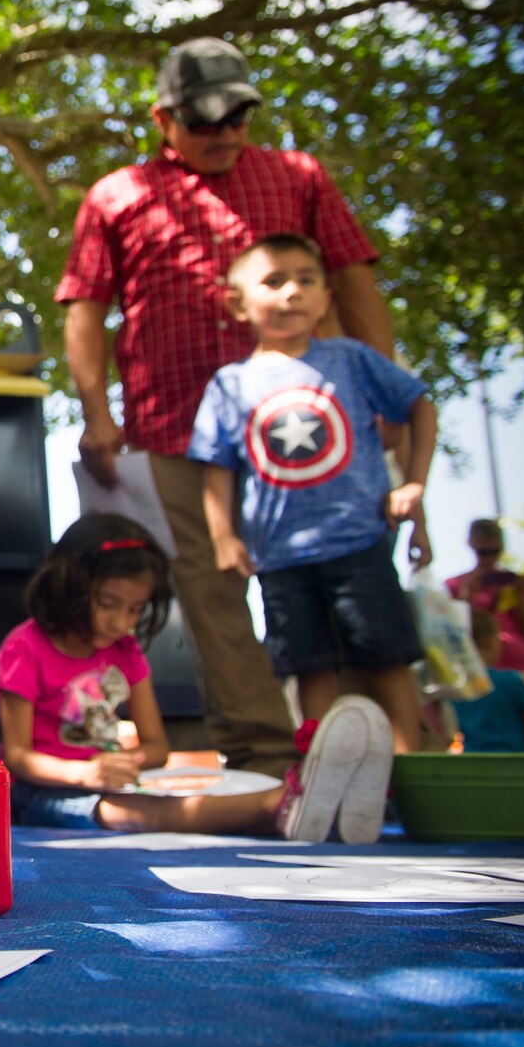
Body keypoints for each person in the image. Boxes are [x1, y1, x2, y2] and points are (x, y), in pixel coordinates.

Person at [58, 36, 399, 778]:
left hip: (310, 428)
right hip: (173, 421)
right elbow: (85, 311)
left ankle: (379, 750)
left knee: (340, 572)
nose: (223, 132)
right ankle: (276, 764)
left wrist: (384, 396)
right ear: (163, 117)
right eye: (203, 119)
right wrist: (96, 412)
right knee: (213, 591)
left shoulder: (299, 176)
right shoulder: (116, 195)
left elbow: (355, 282)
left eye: (237, 114)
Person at [190, 234, 435, 766]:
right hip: (280, 558)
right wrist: (223, 536)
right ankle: (327, 774)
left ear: (327, 296)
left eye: (306, 280)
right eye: (274, 281)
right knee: (308, 667)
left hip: (359, 541)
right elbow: (217, 468)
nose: (291, 293)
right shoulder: (229, 385)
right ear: (238, 303)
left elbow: (418, 405)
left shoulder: (349, 359)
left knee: (386, 658)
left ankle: (412, 768)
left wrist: (413, 484)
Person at [0, 514, 391, 842]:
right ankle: (283, 803)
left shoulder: (125, 650)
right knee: (133, 814)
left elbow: (157, 747)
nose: (122, 622)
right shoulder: (25, 648)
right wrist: (84, 772)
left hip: (120, 781)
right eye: (108, 604)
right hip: (46, 792)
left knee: (213, 786)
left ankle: (310, 811)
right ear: (68, 585)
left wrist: (125, 763)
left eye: (135, 610)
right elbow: (16, 757)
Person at [447, 519, 524, 671]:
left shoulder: (515, 583)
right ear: (472, 545)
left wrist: (523, 597)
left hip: (521, 665)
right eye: (483, 552)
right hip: (479, 670)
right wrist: (466, 597)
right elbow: (453, 635)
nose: (490, 559)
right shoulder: (454, 585)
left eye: (495, 552)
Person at [453, 609, 524, 753]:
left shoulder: (455, 686)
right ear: (489, 642)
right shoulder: (510, 681)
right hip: (513, 760)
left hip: (471, 760)